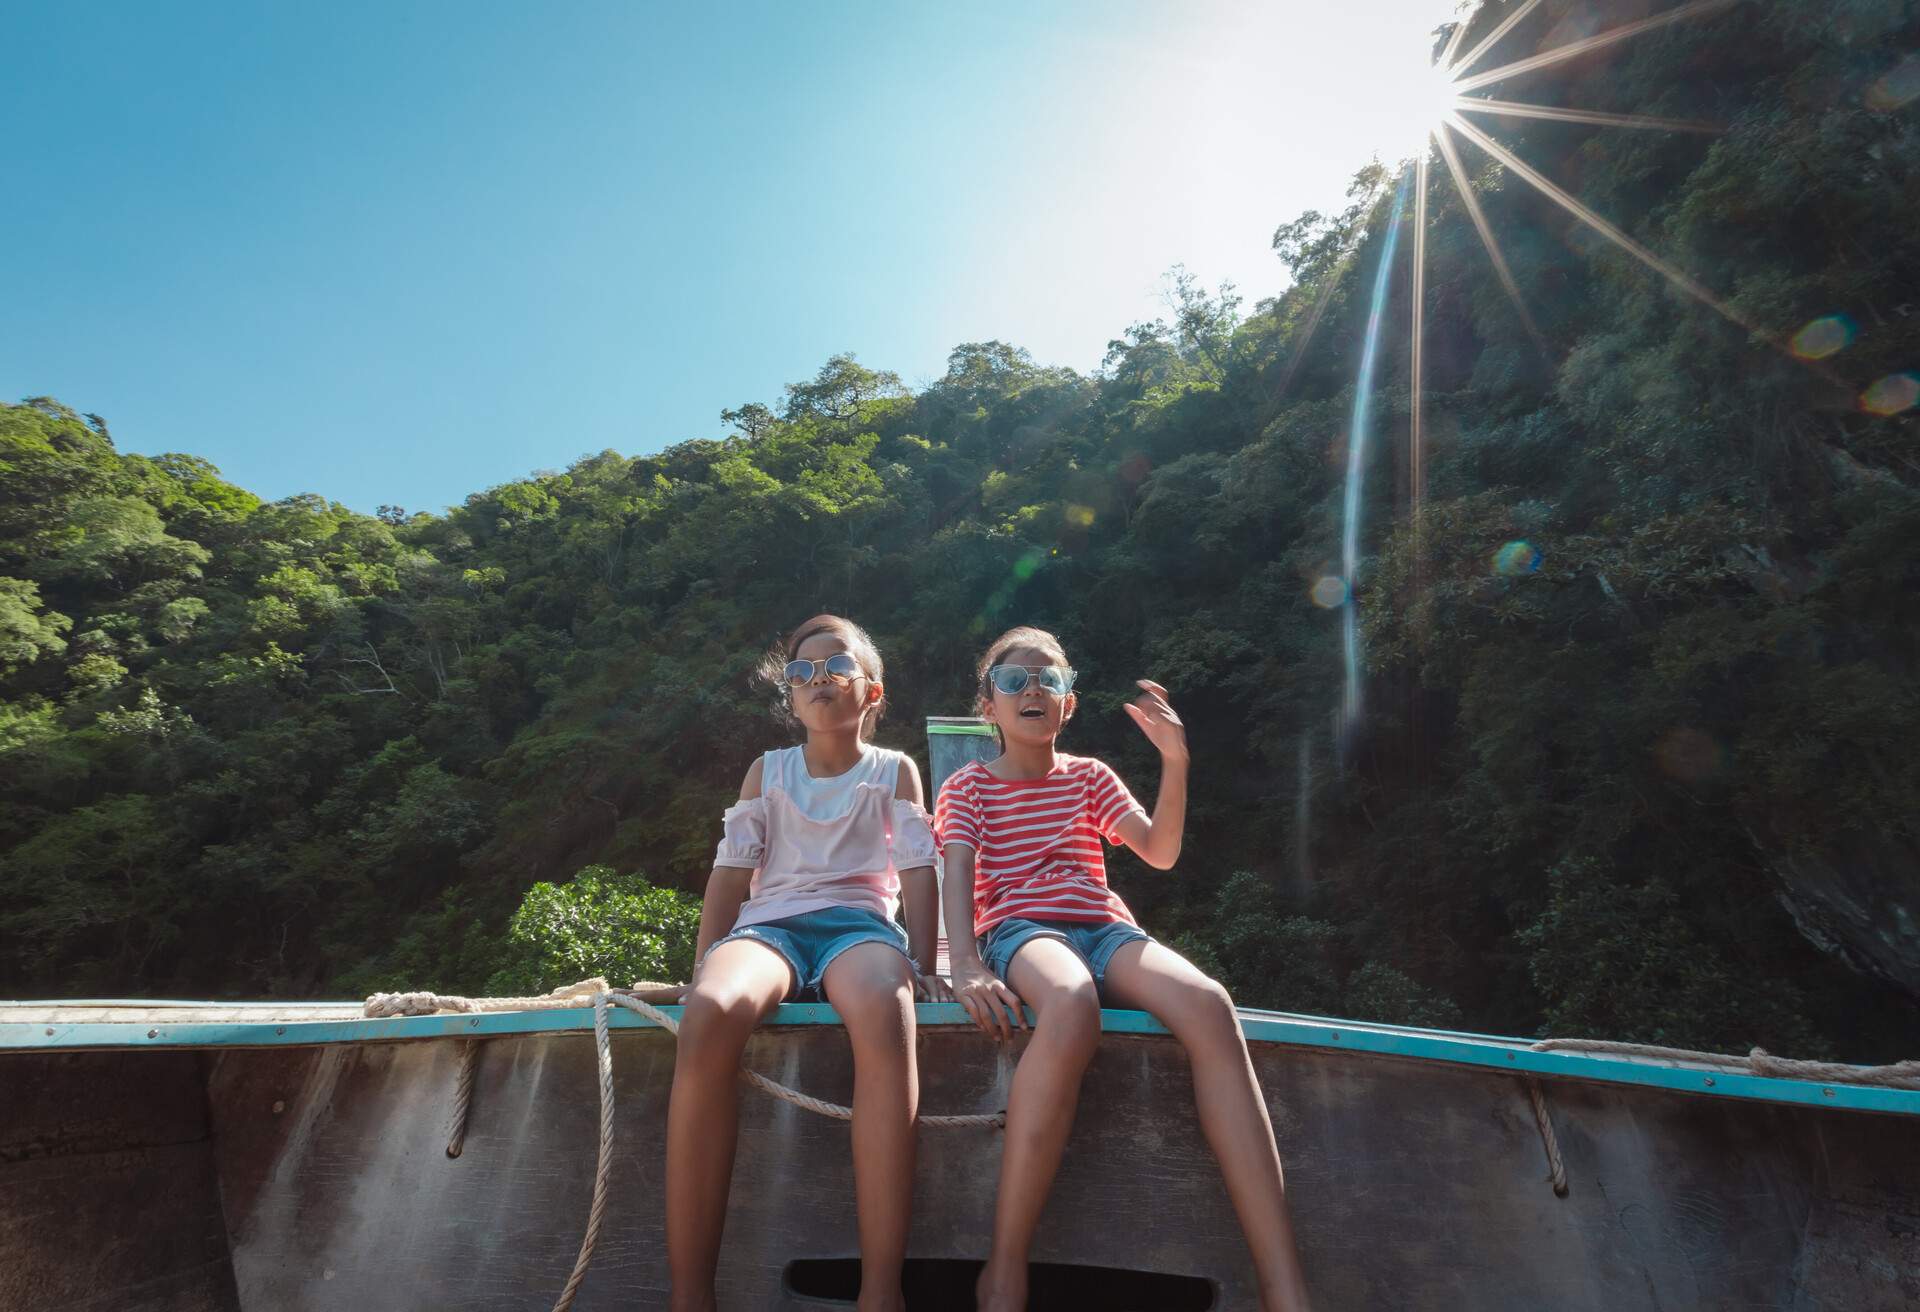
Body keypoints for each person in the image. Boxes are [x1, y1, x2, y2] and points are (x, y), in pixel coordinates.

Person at [935, 625, 1311, 1312]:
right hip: (1020, 929)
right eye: (1014, 681)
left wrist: (1175, 760)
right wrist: (964, 964)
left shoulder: (1089, 777)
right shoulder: (968, 788)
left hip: (1106, 928)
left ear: (1069, 702)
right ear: (987, 706)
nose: (1033, 691)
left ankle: (1284, 1287)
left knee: (1210, 1005)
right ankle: (1006, 1267)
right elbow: (955, 876)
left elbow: (1159, 852)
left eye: (1050, 679)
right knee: (1071, 1002)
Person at [664, 614, 949, 1312]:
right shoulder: (769, 770)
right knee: (711, 1012)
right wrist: (706, 965)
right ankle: (690, 1294)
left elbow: (917, 869)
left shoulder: (895, 770)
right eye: (802, 673)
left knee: (886, 1011)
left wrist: (925, 960)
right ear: (789, 698)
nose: (819, 681)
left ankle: (881, 1291)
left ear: (872, 691)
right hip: (772, 928)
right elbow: (732, 875)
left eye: (837, 668)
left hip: (859, 928)